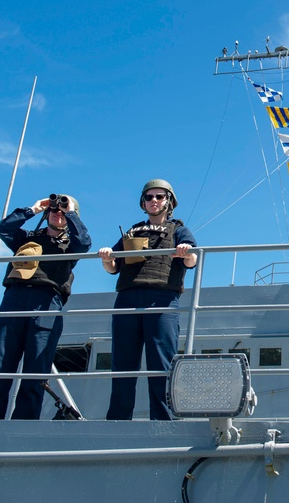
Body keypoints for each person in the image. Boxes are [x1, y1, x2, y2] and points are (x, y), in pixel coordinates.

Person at [0, 193, 91, 420]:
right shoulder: (28, 239)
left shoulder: (71, 245)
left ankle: (23, 425)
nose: (57, 213)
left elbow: (85, 243)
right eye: (54, 210)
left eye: (63, 211)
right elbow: (3, 229)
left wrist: (70, 213)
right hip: (14, 301)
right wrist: (33, 209)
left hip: (47, 304)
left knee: (35, 373)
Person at [98, 179, 196, 421]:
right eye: (149, 197)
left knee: (161, 364)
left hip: (162, 298)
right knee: (122, 364)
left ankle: (164, 421)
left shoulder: (179, 231)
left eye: (159, 197)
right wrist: (106, 257)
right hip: (128, 298)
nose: (154, 201)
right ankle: (118, 422)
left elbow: (192, 261)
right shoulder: (133, 231)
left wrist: (186, 251)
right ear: (143, 202)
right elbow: (113, 268)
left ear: (169, 201)